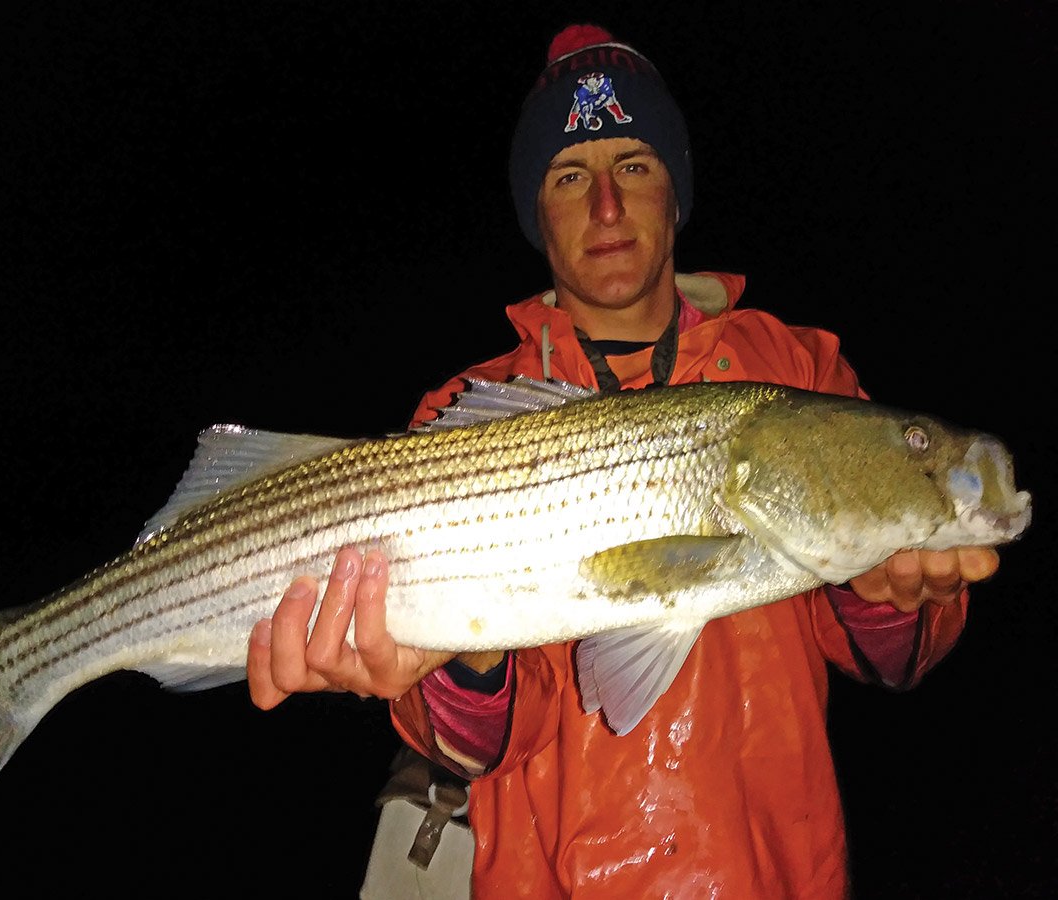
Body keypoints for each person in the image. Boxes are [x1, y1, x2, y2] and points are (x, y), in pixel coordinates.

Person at [245, 23, 1002, 898]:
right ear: (539, 211)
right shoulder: (459, 416)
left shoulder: (799, 372)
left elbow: (892, 655)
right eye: (571, 177)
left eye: (634, 165)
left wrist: (889, 597)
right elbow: (471, 742)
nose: (607, 205)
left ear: (675, 191)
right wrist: (453, 664)